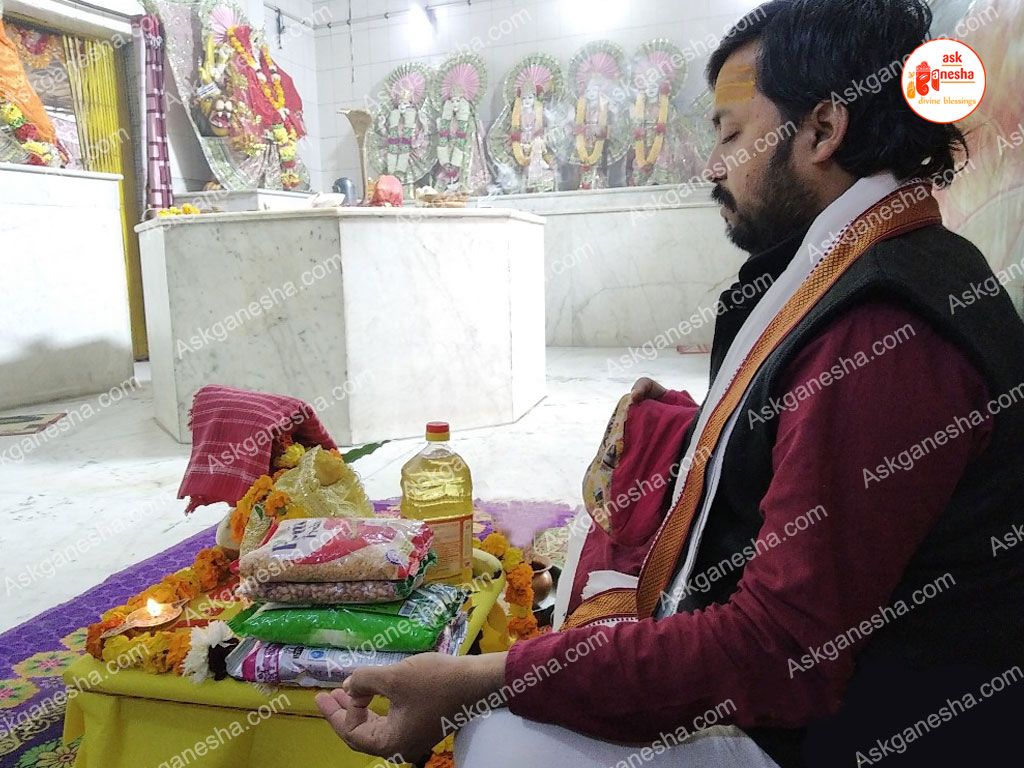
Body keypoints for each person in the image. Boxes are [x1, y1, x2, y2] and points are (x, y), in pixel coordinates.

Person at [317, 1, 1024, 765]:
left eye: (731, 133)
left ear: (822, 130)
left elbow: (776, 652)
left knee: (499, 739)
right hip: (838, 679)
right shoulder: (873, 260)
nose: (712, 165)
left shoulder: (882, 329)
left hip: (874, 727)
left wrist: (480, 681)